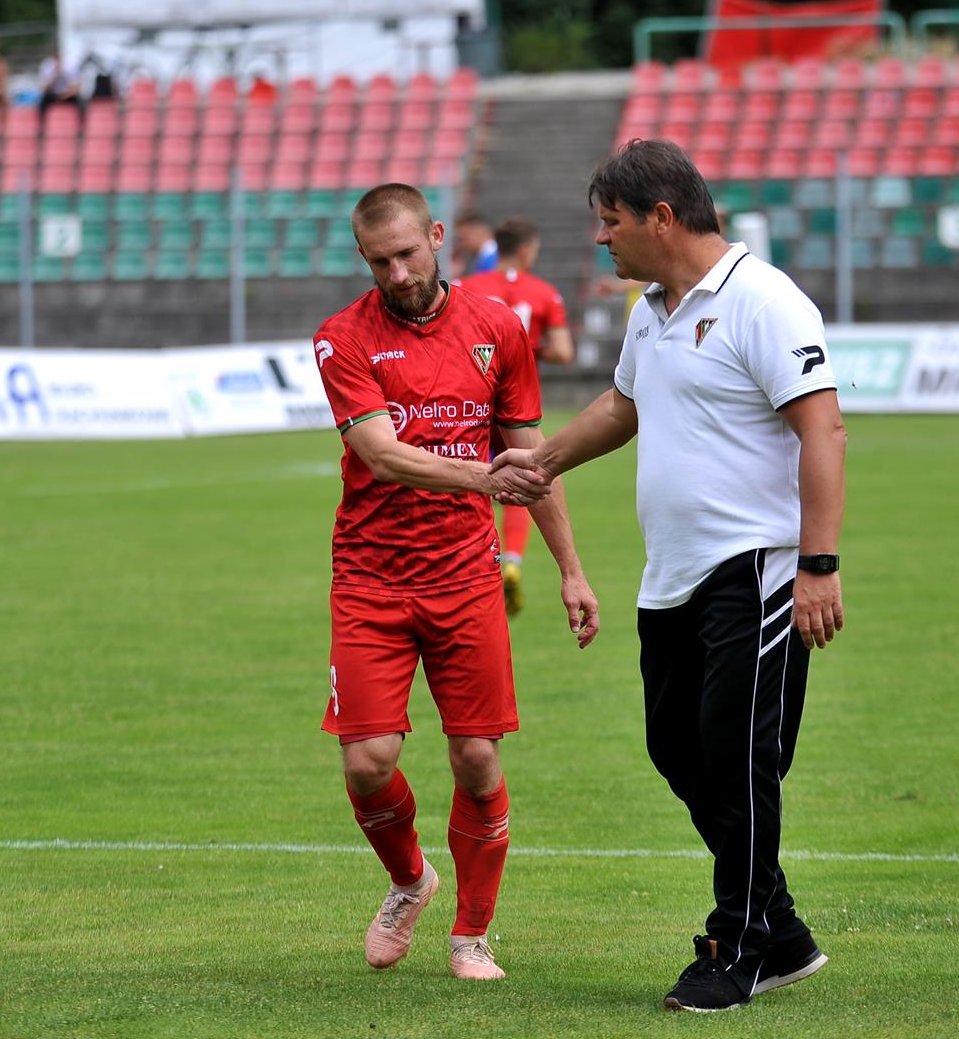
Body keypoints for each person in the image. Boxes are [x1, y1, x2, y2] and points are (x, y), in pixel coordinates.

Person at [492, 139, 846, 1012]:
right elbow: (625, 404)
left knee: (737, 756)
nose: (600, 239)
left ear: (660, 216)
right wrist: (543, 461)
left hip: (756, 569)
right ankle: (782, 926)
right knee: (675, 748)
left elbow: (823, 430)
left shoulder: (765, 300)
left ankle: (740, 943)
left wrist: (817, 565)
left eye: (610, 222)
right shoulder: (651, 310)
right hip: (671, 577)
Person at [312, 183, 600, 982]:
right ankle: (410, 880)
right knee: (367, 761)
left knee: (476, 756)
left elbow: (533, 458)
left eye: (408, 253)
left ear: (437, 235)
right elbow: (380, 455)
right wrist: (482, 477)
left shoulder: (497, 328)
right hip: (369, 575)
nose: (398, 273)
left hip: (465, 575)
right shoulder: (342, 338)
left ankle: (471, 934)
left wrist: (571, 570)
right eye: (380, 261)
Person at [459, 217, 574, 616]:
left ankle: (473, 568)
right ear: (527, 250)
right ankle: (512, 561)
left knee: (466, 478)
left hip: (471, 402)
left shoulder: (466, 287)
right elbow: (563, 351)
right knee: (523, 478)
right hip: (517, 405)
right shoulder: (544, 292)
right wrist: (525, 346)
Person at [452, 213, 498, 278]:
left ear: (479, 232)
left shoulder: (493, 259)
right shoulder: (484, 257)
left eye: (463, 238)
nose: (461, 245)